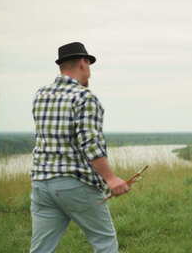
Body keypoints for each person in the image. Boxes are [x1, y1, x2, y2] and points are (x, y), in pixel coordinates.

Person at [29, 42, 130, 253]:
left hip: (41, 185)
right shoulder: (85, 97)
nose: (89, 73)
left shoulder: (41, 95)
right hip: (75, 184)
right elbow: (90, 143)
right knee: (104, 241)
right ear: (84, 63)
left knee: (41, 248)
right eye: (89, 65)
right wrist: (111, 179)